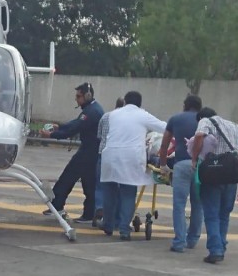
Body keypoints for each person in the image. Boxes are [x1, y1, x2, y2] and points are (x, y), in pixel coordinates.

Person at [100, 91, 167, 240]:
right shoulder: (142, 115)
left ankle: (108, 225)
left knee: (109, 192)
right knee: (128, 192)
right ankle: (124, 230)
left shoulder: (113, 115)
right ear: (140, 103)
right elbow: (164, 127)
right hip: (130, 157)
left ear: (125, 102)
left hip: (110, 156)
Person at [191, 107, 238, 263]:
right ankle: (221, 247)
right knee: (224, 215)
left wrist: (195, 158)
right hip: (231, 175)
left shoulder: (205, 121)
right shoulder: (236, 127)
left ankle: (215, 250)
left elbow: (199, 136)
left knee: (211, 213)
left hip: (213, 174)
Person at [40, 83, 105, 222]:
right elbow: (76, 123)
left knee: (68, 177)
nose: (76, 99)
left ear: (87, 95)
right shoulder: (91, 109)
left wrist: (52, 135)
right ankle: (89, 213)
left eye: (79, 96)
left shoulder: (92, 112)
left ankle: (57, 206)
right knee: (89, 183)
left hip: (89, 152)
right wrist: (60, 127)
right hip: (91, 151)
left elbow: (75, 127)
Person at [158, 94, 203, 252]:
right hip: (200, 166)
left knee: (179, 204)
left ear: (185, 105)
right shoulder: (204, 121)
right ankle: (192, 240)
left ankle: (179, 242)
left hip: (181, 164)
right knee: (198, 204)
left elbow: (164, 144)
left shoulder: (175, 119)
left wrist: (163, 165)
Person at [92, 97, 125, 227]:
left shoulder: (105, 116)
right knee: (118, 188)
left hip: (103, 155)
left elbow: (99, 136)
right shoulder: (127, 119)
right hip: (120, 156)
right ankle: (117, 218)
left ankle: (100, 207)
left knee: (101, 185)